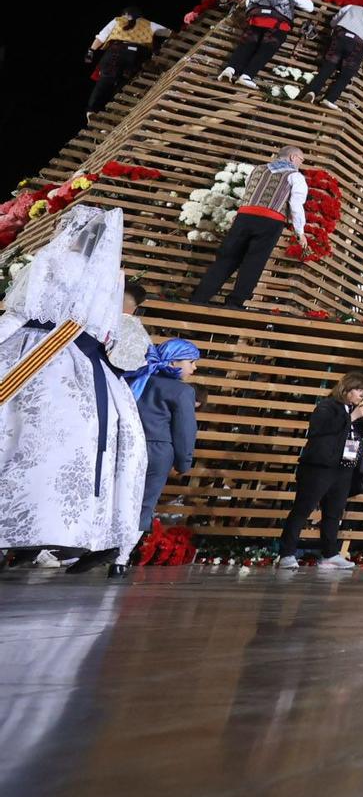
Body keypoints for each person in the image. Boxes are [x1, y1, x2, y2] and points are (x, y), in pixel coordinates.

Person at [0, 207, 148, 578]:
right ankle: (79, 531)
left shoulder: (50, 259)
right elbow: (108, 333)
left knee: (15, 438)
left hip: (32, 350)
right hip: (84, 362)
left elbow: (20, 309)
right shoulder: (111, 278)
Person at [117, 281, 199, 571]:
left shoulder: (135, 379)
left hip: (125, 445)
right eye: (191, 361)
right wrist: (184, 461)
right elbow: (184, 430)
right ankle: (120, 557)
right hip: (157, 451)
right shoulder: (182, 392)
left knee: (118, 497)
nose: (194, 368)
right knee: (144, 503)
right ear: (175, 361)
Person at [190, 147, 308, 309]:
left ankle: (199, 298)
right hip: (270, 220)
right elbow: (295, 204)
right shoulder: (295, 176)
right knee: (254, 262)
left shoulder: (257, 170)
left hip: (244, 217)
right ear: (293, 157)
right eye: (301, 160)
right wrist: (300, 232)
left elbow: (250, 194)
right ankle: (234, 303)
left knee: (226, 258)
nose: (301, 164)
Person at [277, 373, 363, 568]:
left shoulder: (354, 412)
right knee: (302, 509)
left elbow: (355, 437)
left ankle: (330, 553)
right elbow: (320, 430)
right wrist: (352, 417)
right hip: (319, 468)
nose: (362, 395)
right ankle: (287, 553)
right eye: (358, 390)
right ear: (346, 389)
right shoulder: (327, 407)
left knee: (333, 513)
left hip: (344, 467)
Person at [218, 0, 315, 91]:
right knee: (265, 50)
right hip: (277, 25)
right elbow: (310, 7)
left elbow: (249, 4)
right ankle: (246, 76)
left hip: (255, 21)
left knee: (246, 45)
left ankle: (229, 69)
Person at [86, 7, 170, 118]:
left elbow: (101, 38)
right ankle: (114, 109)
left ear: (124, 14)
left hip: (116, 52)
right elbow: (168, 32)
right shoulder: (148, 24)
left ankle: (92, 110)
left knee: (106, 80)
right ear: (140, 16)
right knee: (123, 83)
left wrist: (90, 51)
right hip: (136, 55)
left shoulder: (117, 21)